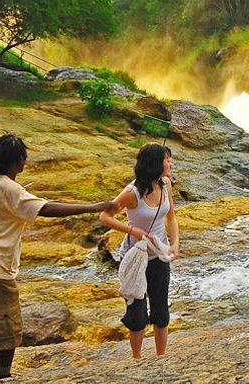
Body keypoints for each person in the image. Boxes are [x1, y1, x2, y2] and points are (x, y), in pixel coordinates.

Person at [0, 134, 116, 382]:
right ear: (20, 160)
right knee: (9, 327)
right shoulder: (10, 188)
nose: (25, 162)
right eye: (24, 158)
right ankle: (4, 376)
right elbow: (47, 209)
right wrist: (94, 207)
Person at [99, 142, 180, 359]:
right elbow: (105, 216)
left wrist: (175, 244)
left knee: (161, 311)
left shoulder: (165, 184)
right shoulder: (131, 192)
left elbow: (171, 218)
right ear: (156, 163)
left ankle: (160, 359)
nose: (170, 163)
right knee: (137, 314)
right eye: (167, 159)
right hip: (135, 257)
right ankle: (137, 361)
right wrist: (132, 230)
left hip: (159, 256)